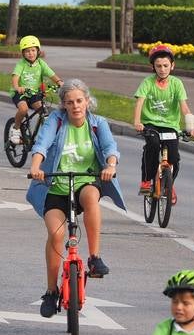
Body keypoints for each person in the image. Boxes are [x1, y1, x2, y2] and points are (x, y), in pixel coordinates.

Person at [27, 79, 123, 313]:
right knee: (56, 234)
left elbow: (111, 148)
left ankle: (94, 258)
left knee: (91, 197)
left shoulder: (98, 124)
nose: (76, 106)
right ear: (63, 105)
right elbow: (41, 144)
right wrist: (36, 167)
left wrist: (110, 165)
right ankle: (51, 292)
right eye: (70, 102)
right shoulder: (56, 122)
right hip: (55, 187)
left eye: (80, 101)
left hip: (84, 181)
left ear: (87, 101)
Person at [133, 45, 194, 199]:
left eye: (165, 66)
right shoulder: (147, 83)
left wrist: (192, 127)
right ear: (153, 67)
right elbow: (139, 103)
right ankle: (146, 181)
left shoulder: (177, 84)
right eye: (158, 66)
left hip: (170, 126)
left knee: (174, 157)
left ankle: (169, 185)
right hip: (151, 124)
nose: (162, 69)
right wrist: (137, 122)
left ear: (172, 66)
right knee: (153, 146)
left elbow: (184, 107)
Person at [10, 35, 62, 144]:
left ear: (38, 51)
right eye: (27, 51)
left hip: (34, 93)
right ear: (23, 53)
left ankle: (48, 135)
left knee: (43, 111)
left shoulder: (41, 64)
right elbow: (15, 78)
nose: (31, 53)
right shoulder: (21, 64)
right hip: (21, 93)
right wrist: (17, 87)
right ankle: (15, 129)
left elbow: (51, 74)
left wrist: (59, 82)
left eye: (33, 50)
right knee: (23, 109)